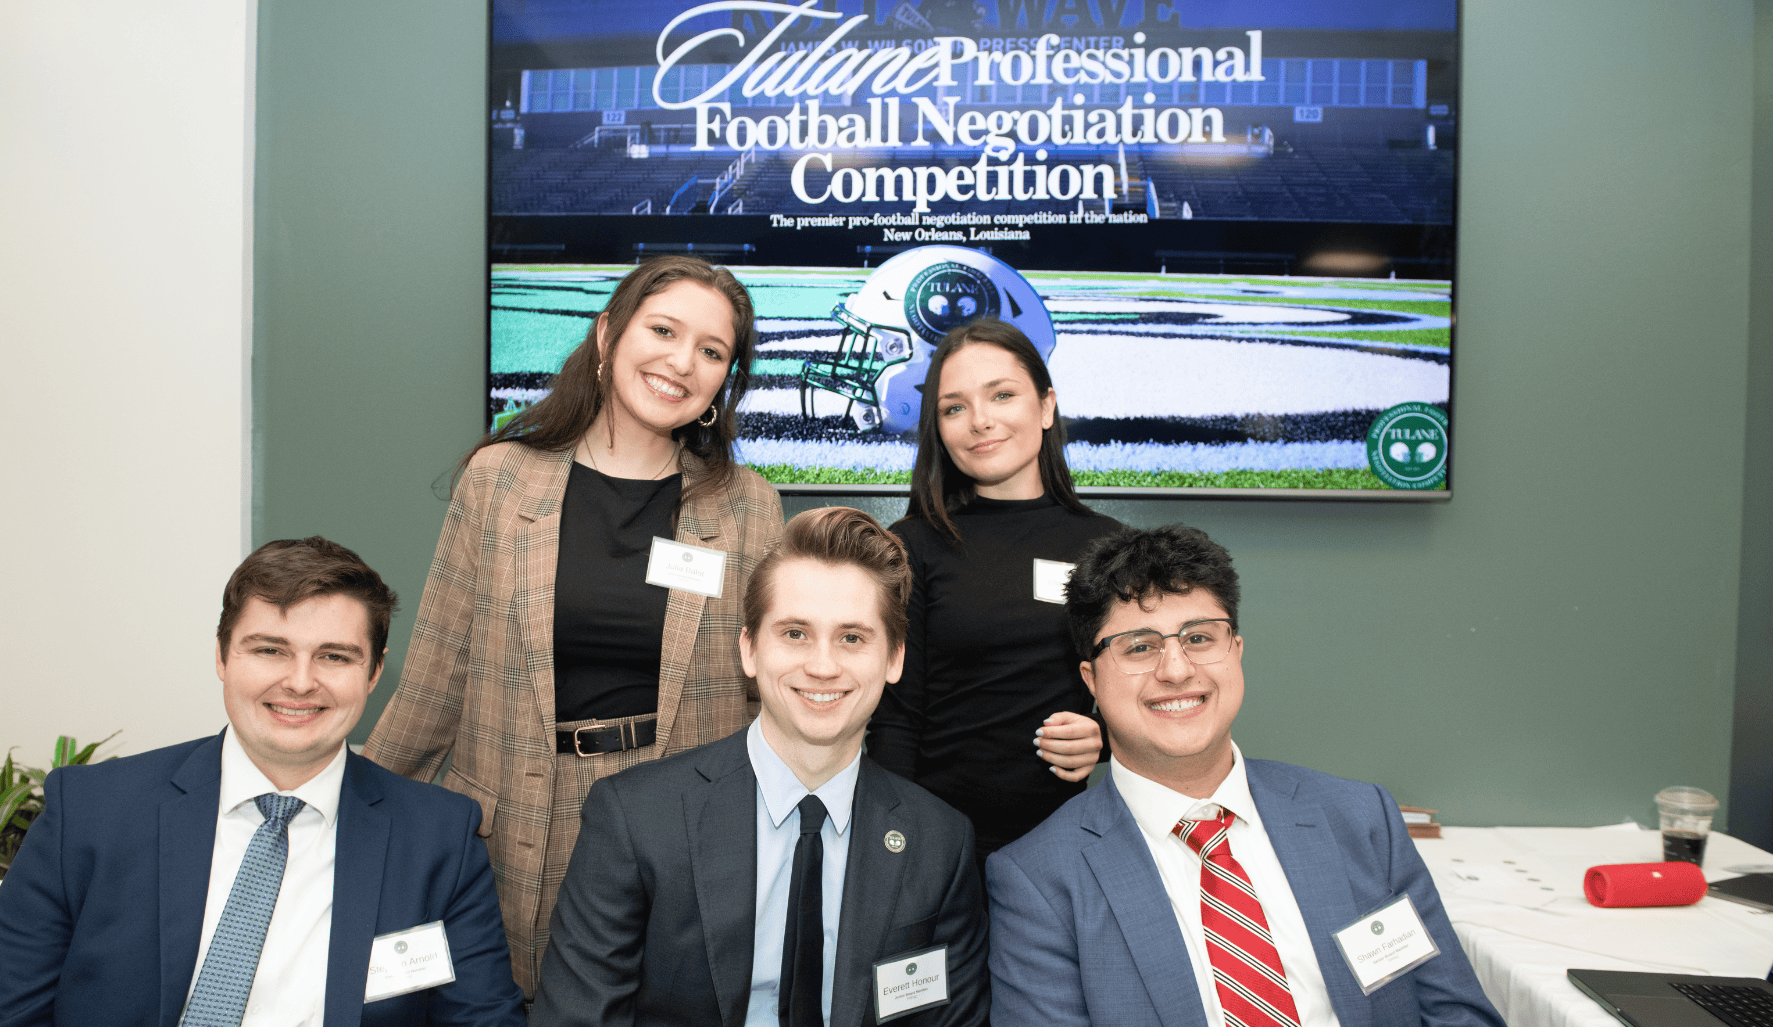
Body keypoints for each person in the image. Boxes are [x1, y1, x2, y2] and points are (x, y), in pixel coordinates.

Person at [362, 255, 785, 997]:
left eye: (712, 351)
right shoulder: (499, 480)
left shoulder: (748, 505)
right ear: (606, 335)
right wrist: (349, 813)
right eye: (663, 330)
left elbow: (766, 695)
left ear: (726, 379)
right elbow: (436, 678)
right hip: (511, 816)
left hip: (674, 824)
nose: (682, 362)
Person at [0, 536, 526, 1027]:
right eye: (270, 649)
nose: (300, 682)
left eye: (334, 657)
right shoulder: (92, 814)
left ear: (374, 673)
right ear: (222, 657)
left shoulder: (437, 838)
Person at [986, 524, 1504, 1027]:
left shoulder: (1361, 819)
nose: (1176, 670)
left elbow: (1456, 1013)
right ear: (1091, 679)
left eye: (1199, 638)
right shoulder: (1037, 883)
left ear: (1236, 651)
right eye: (1139, 647)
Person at [530, 508, 989, 1027]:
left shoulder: (941, 843)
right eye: (795, 633)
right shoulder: (636, 820)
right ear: (749, 648)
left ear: (895, 658)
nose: (822, 665)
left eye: (852, 638)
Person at [868, 318, 1120, 859]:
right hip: (938, 848)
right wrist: (897, 849)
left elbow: (1146, 685)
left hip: (1065, 849)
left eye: (1002, 395)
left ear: (1046, 406)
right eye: (954, 407)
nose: (980, 422)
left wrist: (1104, 737)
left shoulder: (1109, 547)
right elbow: (894, 720)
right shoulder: (911, 546)